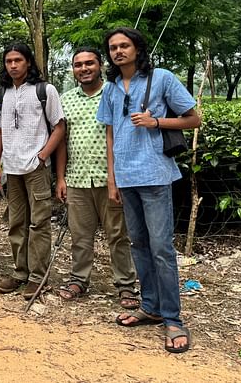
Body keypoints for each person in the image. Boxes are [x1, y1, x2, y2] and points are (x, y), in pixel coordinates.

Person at [97, 27, 199, 354]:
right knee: (138, 244)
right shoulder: (111, 88)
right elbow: (111, 135)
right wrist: (112, 180)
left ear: (138, 48)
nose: (118, 51)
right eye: (113, 47)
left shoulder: (163, 78)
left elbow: (193, 119)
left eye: (124, 45)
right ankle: (151, 306)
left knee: (161, 248)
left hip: (155, 174)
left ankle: (173, 319)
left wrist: (156, 122)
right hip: (126, 178)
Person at [55, 47, 139, 308]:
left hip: (110, 179)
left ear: (100, 65)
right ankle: (79, 279)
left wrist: (121, 177)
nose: (84, 68)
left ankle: (126, 285)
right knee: (80, 235)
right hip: (77, 178)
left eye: (89, 63)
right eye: (78, 65)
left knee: (118, 235)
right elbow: (61, 142)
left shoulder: (115, 93)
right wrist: (60, 178)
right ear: (73, 70)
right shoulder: (65, 99)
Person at [0, 43, 66, 299]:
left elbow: (59, 126)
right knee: (16, 223)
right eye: (8, 61)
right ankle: (20, 272)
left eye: (18, 60)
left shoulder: (45, 90)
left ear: (29, 63)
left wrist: (43, 155)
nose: (13, 65)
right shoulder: (1, 94)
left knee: (40, 222)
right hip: (11, 169)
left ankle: (38, 276)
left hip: (36, 168)